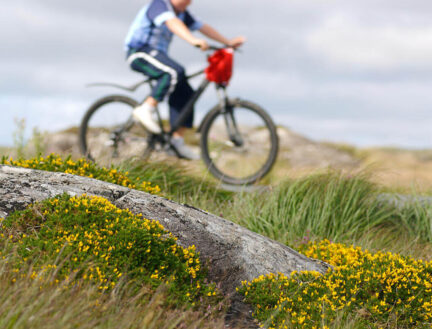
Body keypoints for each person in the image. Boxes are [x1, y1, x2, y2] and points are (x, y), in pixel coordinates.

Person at [124, 0, 245, 160]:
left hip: (158, 56)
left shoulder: (182, 13)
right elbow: (172, 23)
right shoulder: (159, 5)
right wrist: (193, 40)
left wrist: (227, 42)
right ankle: (146, 108)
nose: (189, 3)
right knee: (174, 71)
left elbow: (203, 27)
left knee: (186, 92)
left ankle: (176, 140)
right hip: (139, 52)